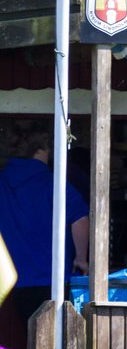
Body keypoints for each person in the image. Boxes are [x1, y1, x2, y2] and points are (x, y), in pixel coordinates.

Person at [0, 120, 90, 322]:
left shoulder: (2, 181)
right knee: (54, 344)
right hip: (52, 280)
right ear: (44, 148)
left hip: (11, 282)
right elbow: (80, 219)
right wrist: (81, 259)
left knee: (27, 342)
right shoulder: (54, 183)